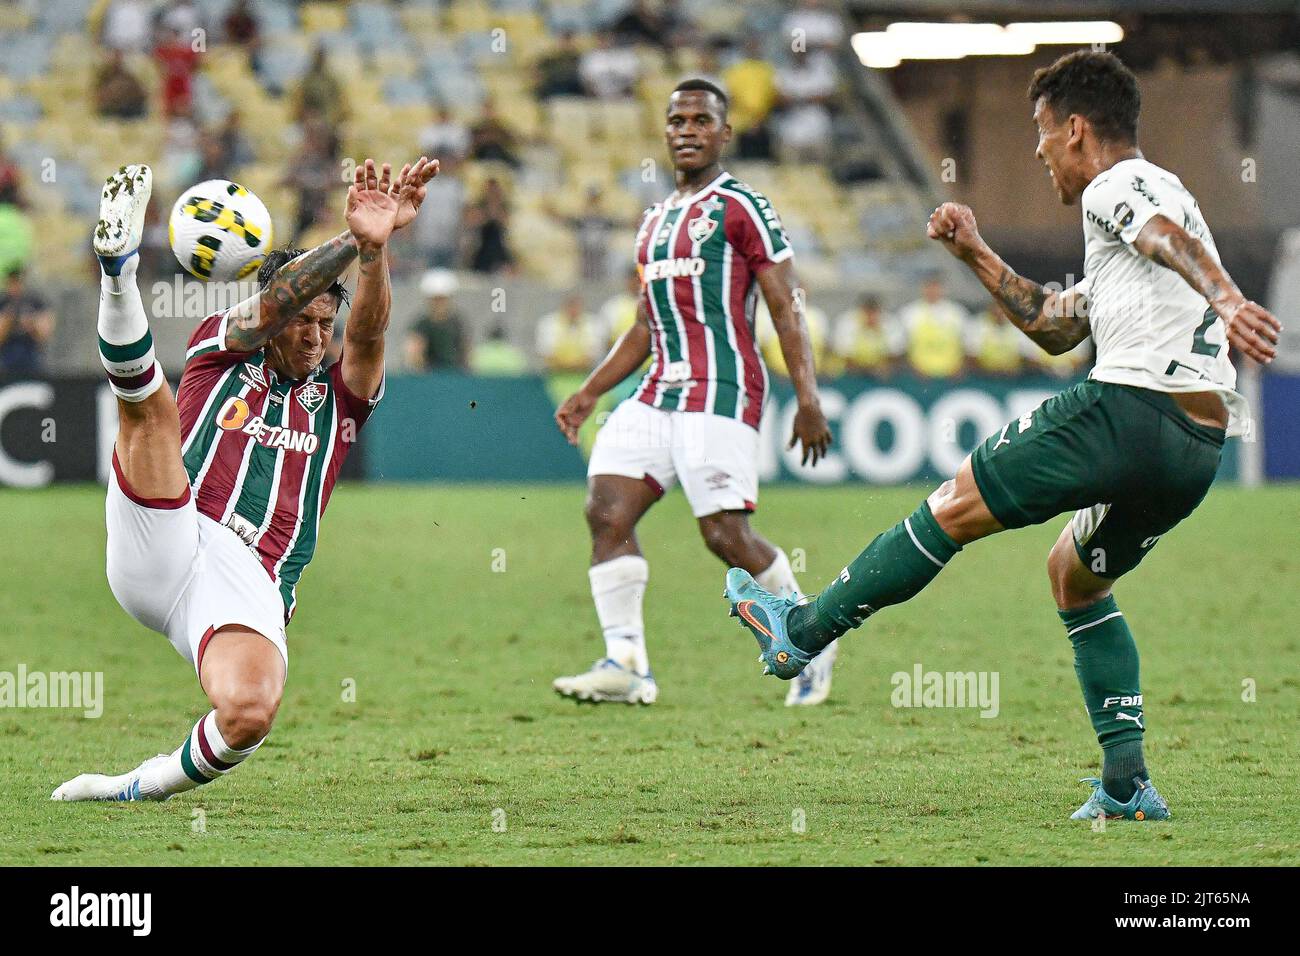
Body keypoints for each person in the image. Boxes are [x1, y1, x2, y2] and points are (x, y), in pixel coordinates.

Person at [724, 51, 1282, 821]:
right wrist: (974, 253)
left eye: (1042, 132)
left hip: (1129, 409)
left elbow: (1156, 235)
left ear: (1076, 128)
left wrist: (1226, 298)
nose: (1039, 149)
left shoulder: (1123, 185)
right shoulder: (1149, 217)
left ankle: (802, 633)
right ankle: (1126, 782)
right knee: (1075, 576)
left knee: (951, 508)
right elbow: (1053, 326)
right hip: (1194, 446)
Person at [51, 155, 440, 802]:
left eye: (324, 324)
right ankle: (118, 276)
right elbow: (271, 306)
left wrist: (374, 255)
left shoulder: (339, 400)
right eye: (302, 320)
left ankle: (136, 789)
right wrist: (351, 239)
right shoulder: (222, 349)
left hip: (247, 579)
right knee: (149, 418)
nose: (315, 337)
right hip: (171, 533)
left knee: (249, 715)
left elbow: (369, 338)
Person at [552, 79, 834, 708]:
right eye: (677, 119)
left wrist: (808, 397)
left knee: (724, 536)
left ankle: (812, 636)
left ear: (724, 133)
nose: (686, 129)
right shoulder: (652, 221)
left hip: (723, 387)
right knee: (606, 511)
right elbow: (644, 325)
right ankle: (626, 663)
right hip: (658, 392)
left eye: (701, 120)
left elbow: (786, 305)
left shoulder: (743, 207)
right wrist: (592, 391)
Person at [898, 274, 970, 379]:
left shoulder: (957, 313)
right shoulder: (909, 313)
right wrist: (913, 368)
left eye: (936, 287)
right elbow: (901, 347)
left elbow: (968, 345)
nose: (932, 291)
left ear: (942, 289)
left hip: (951, 376)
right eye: (929, 287)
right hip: (920, 377)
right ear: (923, 288)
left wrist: (960, 368)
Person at [404, 269, 469, 371]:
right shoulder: (422, 324)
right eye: (435, 299)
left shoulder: (457, 323)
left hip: (455, 376)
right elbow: (414, 353)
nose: (439, 303)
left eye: (442, 299)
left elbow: (467, 352)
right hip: (429, 377)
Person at [832, 293, 903, 377]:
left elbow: (895, 353)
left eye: (874, 312)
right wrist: (865, 370)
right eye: (867, 312)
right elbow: (844, 355)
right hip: (851, 373)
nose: (870, 316)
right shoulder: (846, 322)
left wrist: (881, 367)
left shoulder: (890, 323)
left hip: (881, 374)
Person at [0, 269, 55, 375]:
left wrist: (30, 324)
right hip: (7, 353)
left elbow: (44, 335)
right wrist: (8, 320)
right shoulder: (3, 303)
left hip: (30, 352)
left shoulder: (34, 303)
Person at [535, 294, 601, 374]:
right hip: (555, 376)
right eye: (571, 307)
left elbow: (593, 353)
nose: (573, 311)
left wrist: (576, 365)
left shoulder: (592, 323)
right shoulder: (549, 323)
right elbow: (546, 353)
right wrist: (566, 366)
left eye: (576, 307)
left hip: (584, 375)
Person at [93, 50, 149, 120]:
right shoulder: (105, 76)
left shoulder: (130, 76)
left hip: (131, 110)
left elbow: (143, 93)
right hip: (112, 112)